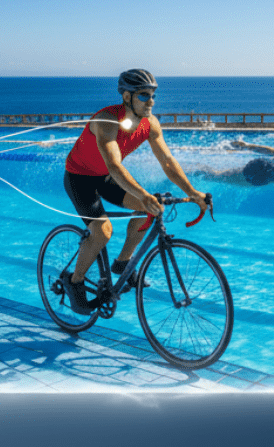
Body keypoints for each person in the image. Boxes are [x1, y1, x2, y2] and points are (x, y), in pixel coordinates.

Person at [62, 69, 210, 315]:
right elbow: (115, 165)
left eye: (153, 95)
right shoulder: (106, 121)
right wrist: (143, 194)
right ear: (127, 97)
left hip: (106, 178)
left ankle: (122, 264)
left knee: (151, 210)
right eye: (144, 95)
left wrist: (193, 193)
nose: (151, 101)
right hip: (80, 178)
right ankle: (74, 282)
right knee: (102, 231)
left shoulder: (150, 124)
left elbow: (168, 163)